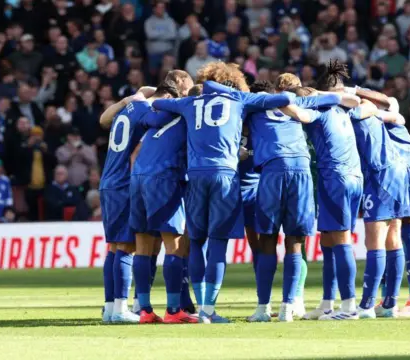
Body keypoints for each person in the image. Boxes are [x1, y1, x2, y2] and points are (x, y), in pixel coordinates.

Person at [152, 62, 297, 324]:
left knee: (196, 241)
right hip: (225, 176)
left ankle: (200, 311)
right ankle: (209, 309)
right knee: (218, 242)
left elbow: (157, 104)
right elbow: (286, 97)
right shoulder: (239, 98)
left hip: (195, 175)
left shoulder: (188, 103)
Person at [244, 76, 357, 322]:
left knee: (267, 240)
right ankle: (289, 308)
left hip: (272, 170)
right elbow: (348, 99)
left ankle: (263, 309)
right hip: (302, 169)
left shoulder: (252, 106)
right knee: (295, 241)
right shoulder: (301, 101)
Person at [280, 61, 366, 321]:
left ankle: (350, 306)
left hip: (335, 177)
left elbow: (302, 115)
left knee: (340, 241)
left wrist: (278, 101)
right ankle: (327, 304)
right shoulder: (344, 109)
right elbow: (358, 102)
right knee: (329, 240)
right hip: (354, 175)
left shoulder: (320, 109)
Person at [350, 86, 410, 318]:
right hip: (390, 167)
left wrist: (354, 90)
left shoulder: (383, 108)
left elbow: (390, 103)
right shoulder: (372, 115)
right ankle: (388, 299)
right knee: (391, 228)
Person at [128, 71, 198, 324]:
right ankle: (173, 310)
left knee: (143, 247)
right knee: (175, 246)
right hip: (163, 177)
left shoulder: (157, 115)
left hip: (138, 177)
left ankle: (144, 310)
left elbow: (147, 115)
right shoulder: (188, 114)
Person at [98, 85, 156, 324]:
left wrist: (125, 100)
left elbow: (103, 120)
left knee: (113, 247)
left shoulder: (126, 109)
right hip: (124, 183)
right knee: (127, 245)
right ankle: (122, 308)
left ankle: (111, 307)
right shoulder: (146, 112)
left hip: (107, 180)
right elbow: (138, 152)